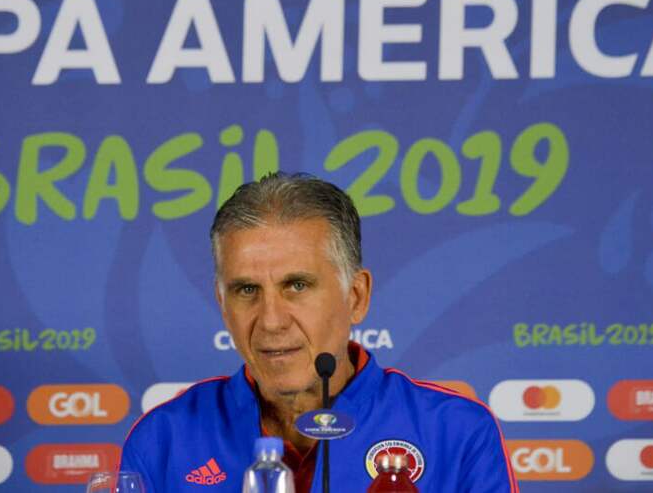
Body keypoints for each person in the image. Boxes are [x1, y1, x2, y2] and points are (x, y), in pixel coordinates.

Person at [120, 173, 517, 492]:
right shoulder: (164, 438)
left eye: (297, 286)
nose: (272, 321)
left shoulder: (457, 432)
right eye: (246, 290)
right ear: (223, 305)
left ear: (356, 296)